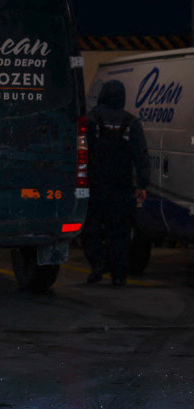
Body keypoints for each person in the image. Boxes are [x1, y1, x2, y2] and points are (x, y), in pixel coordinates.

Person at [83, 79, 150, 287]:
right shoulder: (131, 122)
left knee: (90, 225)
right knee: (119, 230)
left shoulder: (91, 119)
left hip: (95, 183)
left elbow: (82, 151)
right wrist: (142, 184)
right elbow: (141, 154)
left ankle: (97, 264)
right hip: (121, 185)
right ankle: (119, 274)